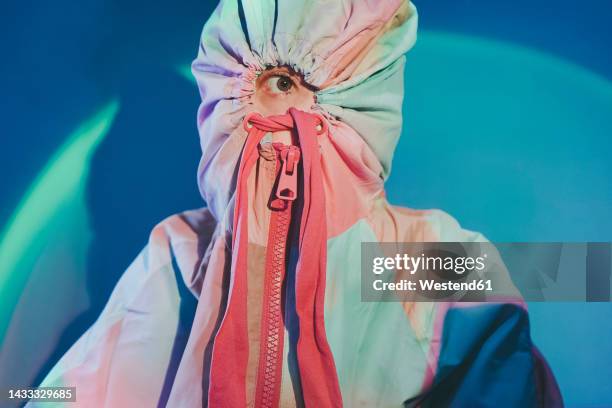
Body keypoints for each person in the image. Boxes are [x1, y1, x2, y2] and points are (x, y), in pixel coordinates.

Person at [33, 0, 562, 406]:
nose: (293, 117)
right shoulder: (180, 257)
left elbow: (522, 350)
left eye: (311, 85)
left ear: (365, 95)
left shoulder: (420, 255)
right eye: (275, 84)